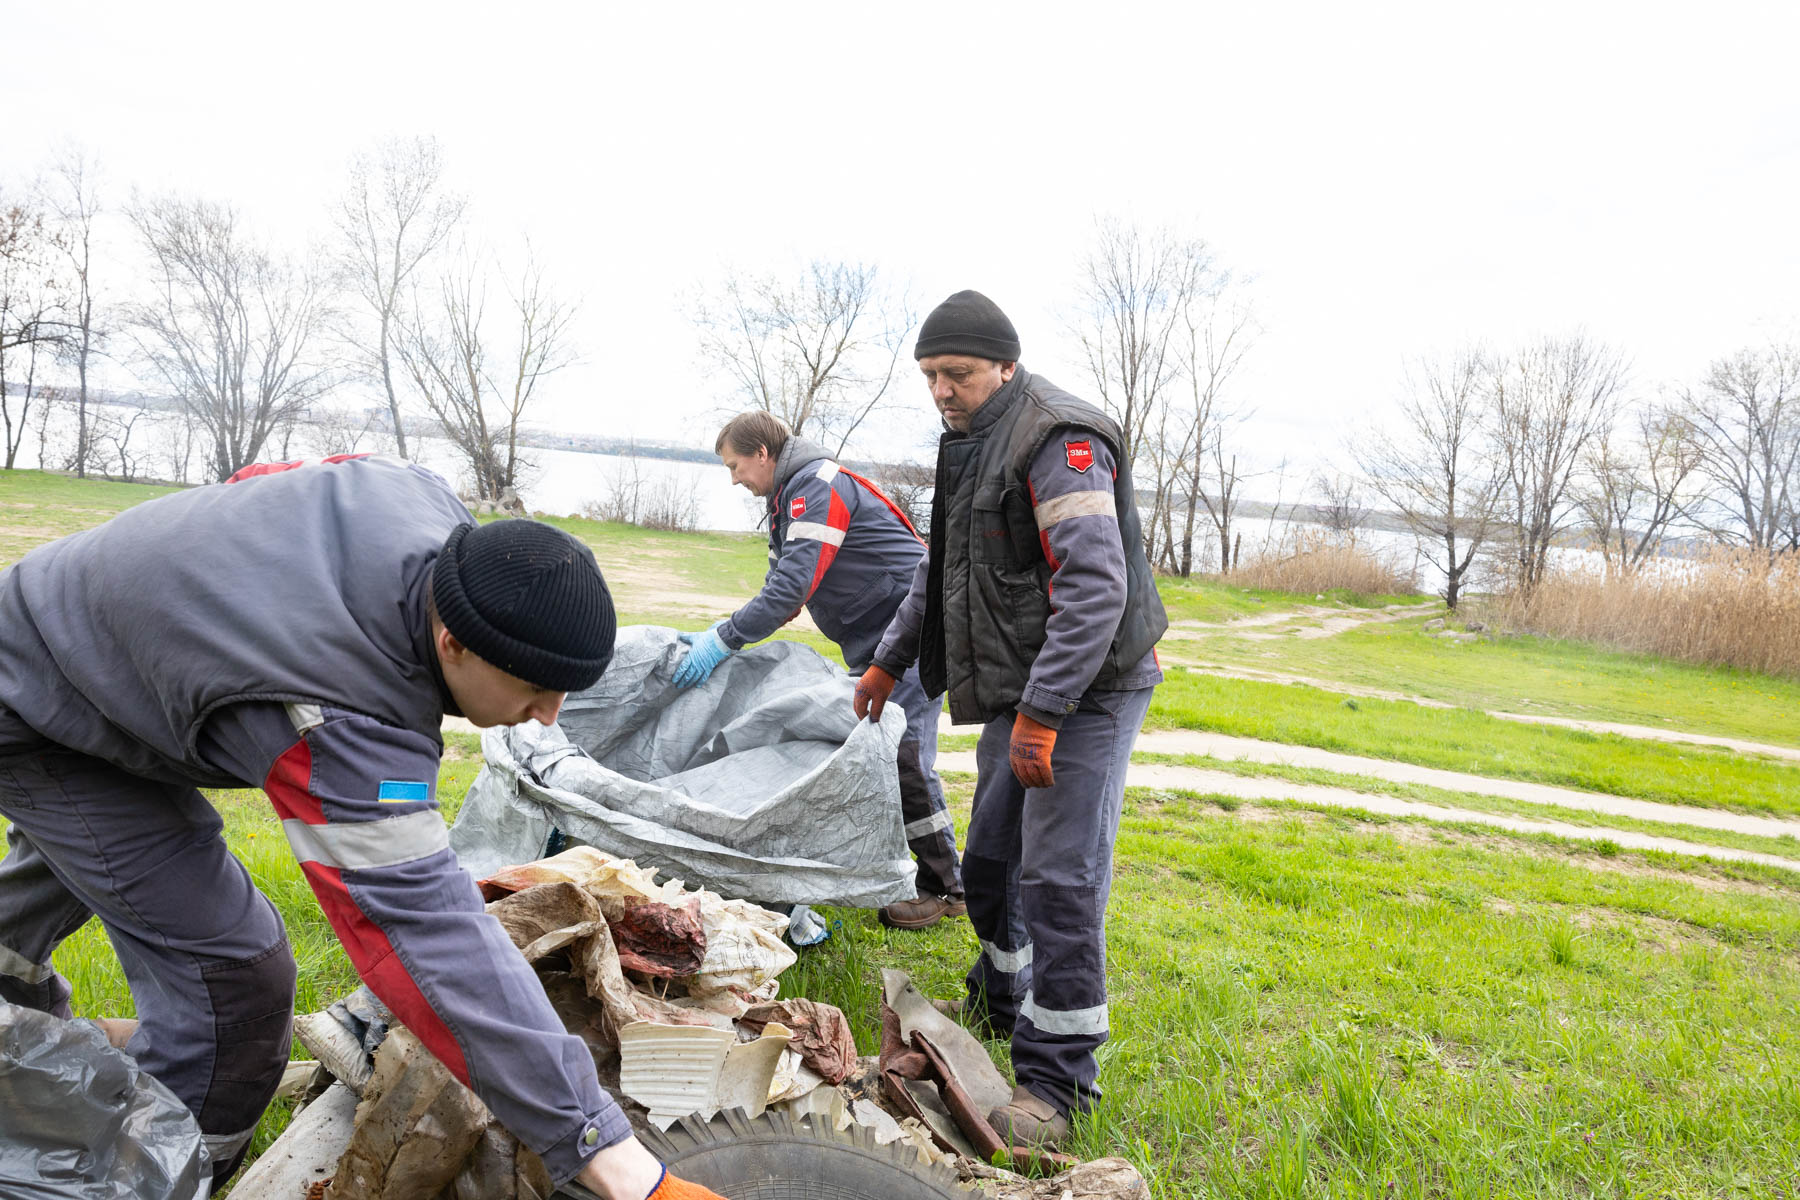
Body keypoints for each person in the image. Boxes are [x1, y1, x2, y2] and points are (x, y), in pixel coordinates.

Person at [0, 456, 722, 1200]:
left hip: (80, 641)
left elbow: (270, 476)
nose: (549, 715)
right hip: (39, 709)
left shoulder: (420, 499)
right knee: (234, 980)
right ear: (454, 645)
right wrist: (612, 1158)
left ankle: (18, 1048)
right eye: (534, 689)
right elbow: (424, 938)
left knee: (74, 883)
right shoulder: (339, 718)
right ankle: (156, 1180)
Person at [852, 290, 1168, 1152]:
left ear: (1004, 364)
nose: (941, 390)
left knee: (1059, 879)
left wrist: (1045, 712)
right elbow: (939, 571)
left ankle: (1057, 1083)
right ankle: (1000, 1004)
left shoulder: (1060, 441)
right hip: (1030, 692)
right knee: (989, 861)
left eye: (955, 373)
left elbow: (1096, 586)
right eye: (928, 376)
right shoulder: (968, 443)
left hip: (1088, 690)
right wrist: (887, 658)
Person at [673, 411, 966, 930]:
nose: (734, 477)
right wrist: (733, 630)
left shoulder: (816, 487)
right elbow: (782, 590)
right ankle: (905, 871)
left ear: (762, 454)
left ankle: (947, 888)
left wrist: (724, 638)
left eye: (735, 465)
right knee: (882, 751)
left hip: (912, 634)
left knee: (904, 755)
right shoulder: (789, 497)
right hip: (879, 635)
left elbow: (792, 589)